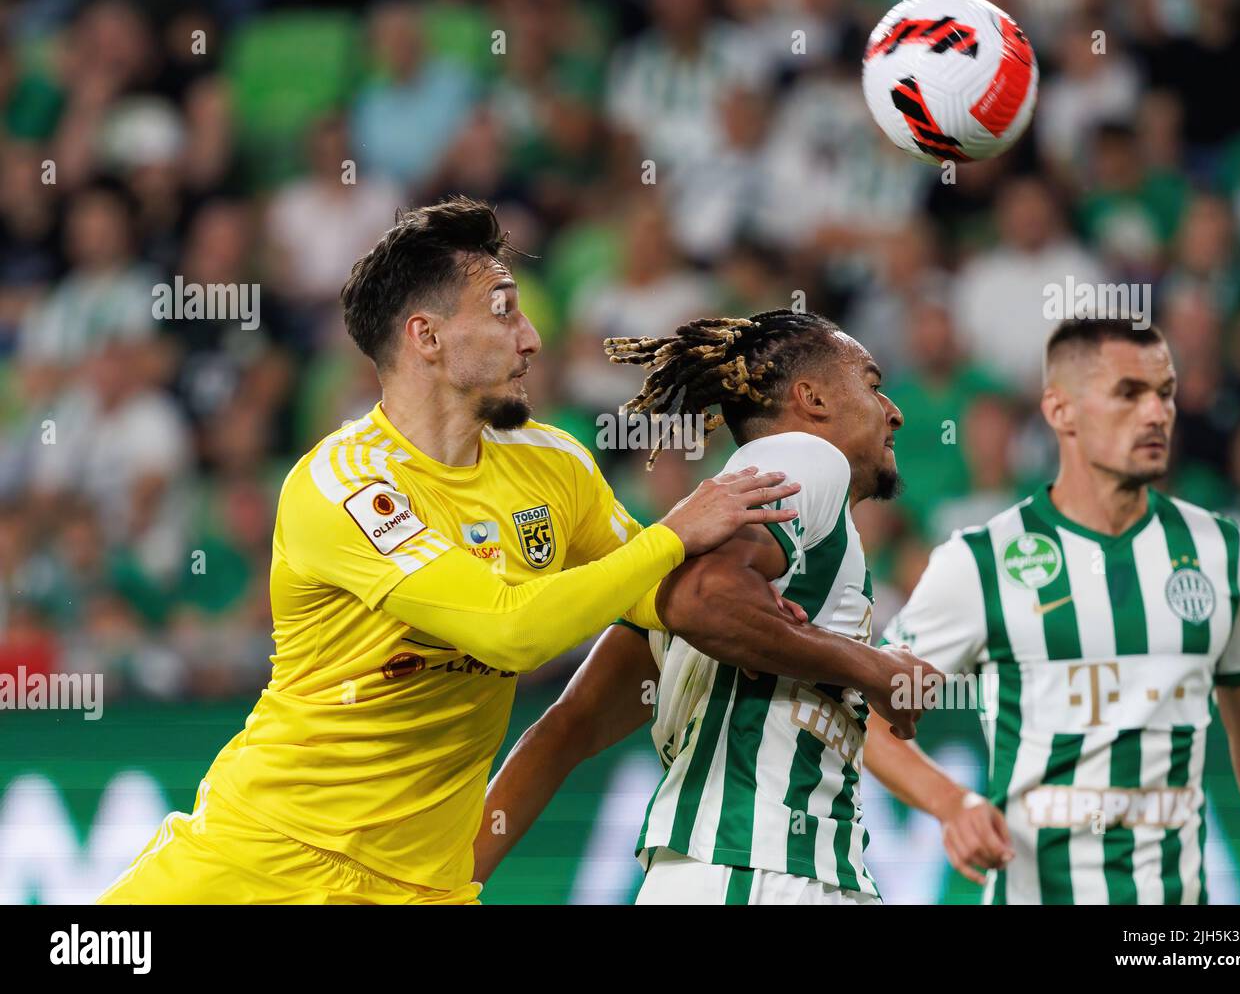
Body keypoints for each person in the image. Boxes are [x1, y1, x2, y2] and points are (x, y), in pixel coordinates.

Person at [98, 197, 803, 905]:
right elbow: (510, 630)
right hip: (255, 862)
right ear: (426, 337)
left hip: (423, 891)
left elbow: (668, 600)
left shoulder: (554, 467)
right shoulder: (343, 483)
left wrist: (787, 568)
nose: (530, 338)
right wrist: (673, 532)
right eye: (503, 311)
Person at [474, 310, 945, 905]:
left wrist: (454, 883)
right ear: (812, 399)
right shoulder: (805, 455)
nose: (893, 411)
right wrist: (872, 668)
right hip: (758, 869)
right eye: (874, 386)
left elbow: (569, 728)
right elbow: (708, 600)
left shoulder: (689, 556)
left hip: (715, 872)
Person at [880, 317, 1240, 904]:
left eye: (1166, 394)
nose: (1156, 413)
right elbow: (868, 715)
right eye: (1129, 394)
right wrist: (951, 802)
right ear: (1060, 411)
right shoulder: (982, 560)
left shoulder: (1219, 549)